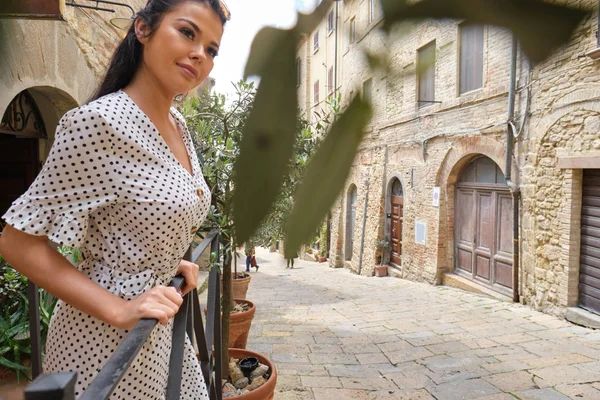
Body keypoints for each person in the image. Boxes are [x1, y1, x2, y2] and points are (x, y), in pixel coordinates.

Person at [0, 1, 230, 398]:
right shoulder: (98, 123)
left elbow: (139, 215)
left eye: (211, 49)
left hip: (158, 329)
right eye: (188, 33)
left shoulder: (179, 125)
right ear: (142, 29)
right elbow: (17, 243)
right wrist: (120, 310)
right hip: (102, 346)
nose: (200, 54)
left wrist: (167, 257)